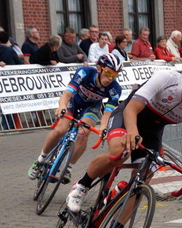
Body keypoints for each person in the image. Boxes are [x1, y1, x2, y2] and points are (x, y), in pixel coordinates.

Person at [65, 52, 182, 228]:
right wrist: (132, 132)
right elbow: (132, 108)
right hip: (129, 116)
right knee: (119, 153)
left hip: (152, 132)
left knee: (143, 182)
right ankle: (81, 186)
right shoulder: (167, 79)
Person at [28, 54, 123, 182]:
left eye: (115, 75)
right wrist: (62, 106)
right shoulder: (84, 73)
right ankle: (40, 160)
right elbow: (66, 95)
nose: (111, 78)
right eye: (109, 73)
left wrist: (104, 127)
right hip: (74, 102)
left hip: (92, 107)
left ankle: (68, 167)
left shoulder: (115, 89)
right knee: (60, 131)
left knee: (84, 133)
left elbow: (107, 114)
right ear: (99, 68)